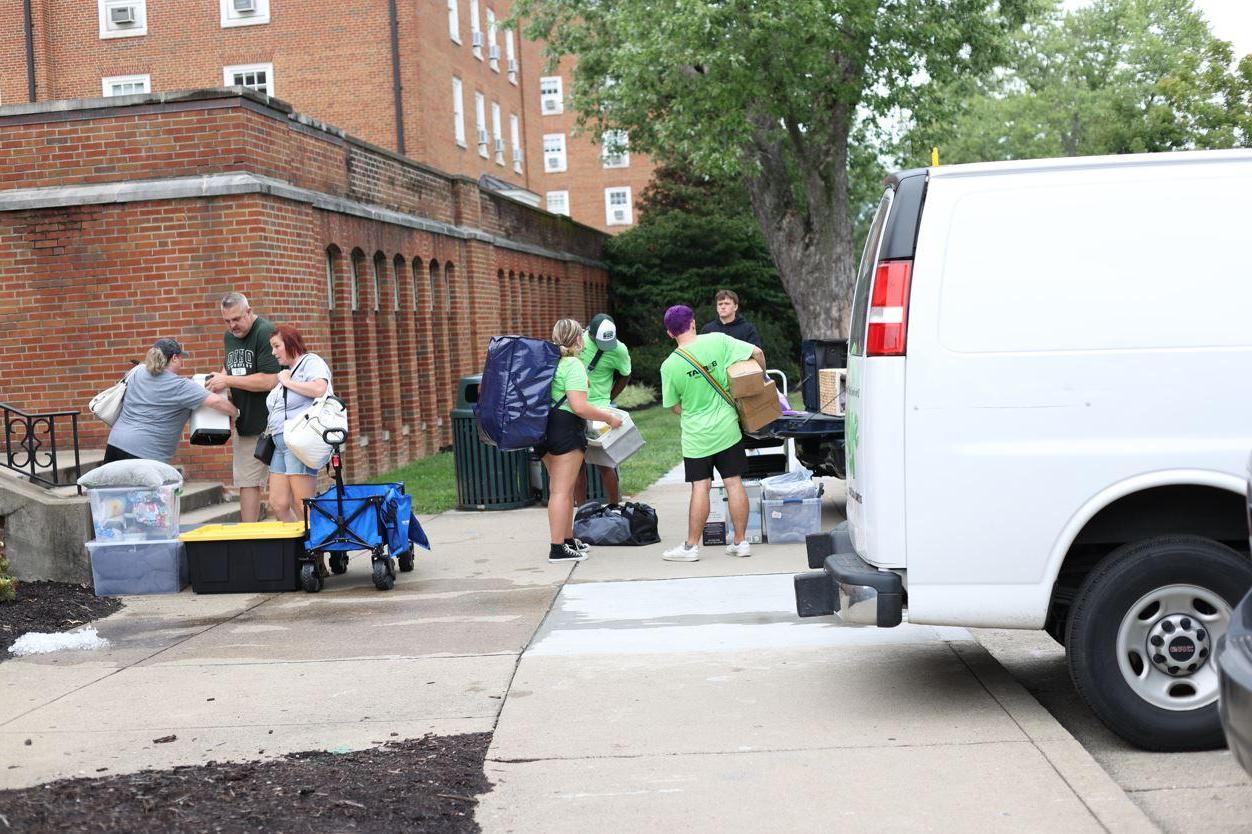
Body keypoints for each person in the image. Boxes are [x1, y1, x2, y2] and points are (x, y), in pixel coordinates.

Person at [659, 305, 765, 562]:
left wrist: (693, 411)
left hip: (696, 435)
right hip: (727, 427)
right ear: (693, 323)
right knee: (733, 482)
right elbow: (757, 352)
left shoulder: (669, 366)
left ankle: (691, 547)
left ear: (670, 333)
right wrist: (758, 380)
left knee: (700, 487)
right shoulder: (717, 340)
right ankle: (740, 542)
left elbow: (673, 405)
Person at [536, 319, 623, 564]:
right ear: (577, 339)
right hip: (565, 430)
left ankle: (567, 540)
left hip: (544, 428)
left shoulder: (548, 361)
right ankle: (557, 548)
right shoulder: (572, 364)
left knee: (558, 489)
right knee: (562, 492)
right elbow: (579, 406)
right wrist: (609, 417)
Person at [204, 292, 280, 523]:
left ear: (249, 311)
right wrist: (218, 384)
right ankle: (250, 543)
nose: (232, 326)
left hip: (273, 425)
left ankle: (293, 546)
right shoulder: (230, 336)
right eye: (227, 321)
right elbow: (231, 368)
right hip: (245, 423)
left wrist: (227, 381)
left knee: (281, 493)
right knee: (247, 483)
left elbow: (270, 380)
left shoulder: (264, 332)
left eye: (236, 319)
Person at [105, 338, 239, 464]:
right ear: (174, 358)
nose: (181, 363)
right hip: (145, 453)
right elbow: (216, 402)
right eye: (181, 359)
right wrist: (236, 413)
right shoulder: (179, 385)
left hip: (115, 444)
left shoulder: (137, 372)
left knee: (112, 489)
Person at [264, 324, 333, 524]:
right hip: (279, 443)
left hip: (297, 442)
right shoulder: (289, 371)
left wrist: (286, 382)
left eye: (277, 346)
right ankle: (299, 549)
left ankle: (317, 551)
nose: (273, 352)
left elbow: (320, 389)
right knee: (278, 503)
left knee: (302, 503)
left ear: (290, 343)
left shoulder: (310, 362)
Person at [575, 313, 632, 506]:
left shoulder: (619, 349)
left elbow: (625, 375)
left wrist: (610, 398)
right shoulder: (577, 341)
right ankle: (582, 511)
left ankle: (615, 508)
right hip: (574, 406)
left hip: (600, 410)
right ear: (589, 334)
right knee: (577, 465)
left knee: (606, 463)